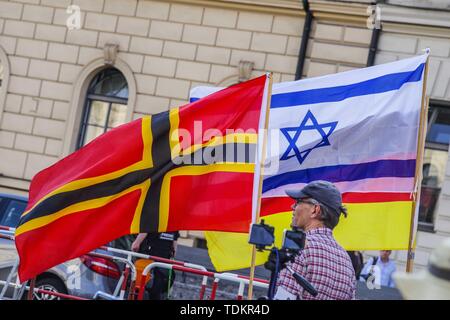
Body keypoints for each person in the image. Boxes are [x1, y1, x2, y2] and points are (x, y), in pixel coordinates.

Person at [274, 180, 356, 300]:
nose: (293, 206)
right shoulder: (347, 262)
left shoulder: (299, 248)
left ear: (315, 210)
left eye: (298, 202)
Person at [131, 231, 179, 300]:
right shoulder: (174, 224)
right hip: (163, 261)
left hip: (147, 259)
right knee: (156, 291)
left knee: (138, 289)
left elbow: (135, 245)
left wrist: (136, 243)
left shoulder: (153, 220)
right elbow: (174, 249)